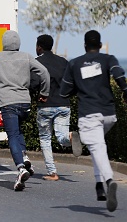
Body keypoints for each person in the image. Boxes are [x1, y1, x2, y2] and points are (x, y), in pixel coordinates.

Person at [60, 30, 127, 212]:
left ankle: (109, 180)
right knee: (97, 144)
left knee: (95, 144)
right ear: (100, 45)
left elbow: (64, 92)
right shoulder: (108, 59)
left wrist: (77, 88)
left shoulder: (74, 63)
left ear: (85, 45)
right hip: (109, 114)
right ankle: (99, 185)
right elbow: (118, 76)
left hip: (89, 114)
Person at [0, 30, 50, 191]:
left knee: (12, 135)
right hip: (25, 103)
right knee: (18, 131)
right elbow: (44, 72)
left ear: (4, 43)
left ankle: (21, 168)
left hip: (8, 103)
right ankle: (24, 156)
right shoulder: (26, 56)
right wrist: (44, 93)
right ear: (18, 43)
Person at [30, 34, 82, 181]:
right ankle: (71, 136)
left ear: (39, 47)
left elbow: (33, 83)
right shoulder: (64, 62)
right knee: (61, 137)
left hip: (45, 105)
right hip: (63, 105)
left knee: (45, 138)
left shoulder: (36, 63)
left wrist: (36, 94)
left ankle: (52, 173)